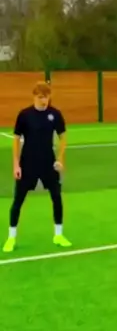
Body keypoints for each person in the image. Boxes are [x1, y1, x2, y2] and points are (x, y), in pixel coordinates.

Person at [2, 81, 72, 253]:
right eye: (41, 97)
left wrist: (60, 159)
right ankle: (11, 238)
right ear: (34, 96)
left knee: (57, 198)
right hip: (27, 164)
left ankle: (58, 235)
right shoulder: (24, 115)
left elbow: (63, 138)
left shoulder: (55, 114)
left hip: (49, 163)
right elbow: (16, 140)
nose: (44, 100)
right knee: (18, 200)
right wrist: (16, 165)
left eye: (46, 97)